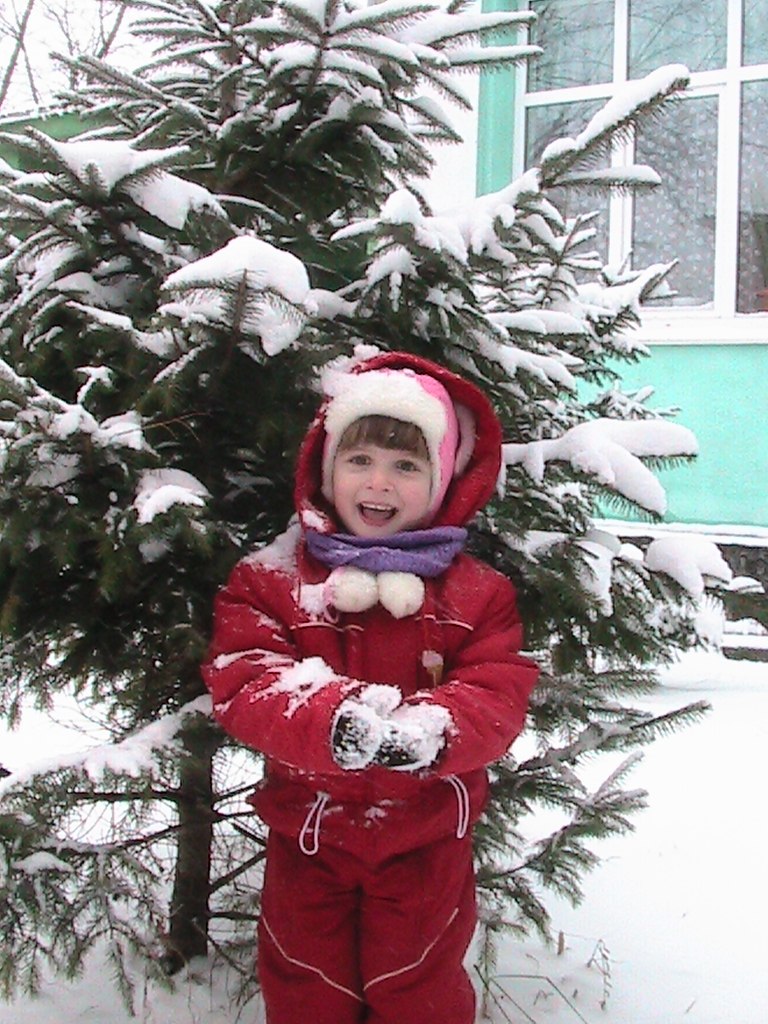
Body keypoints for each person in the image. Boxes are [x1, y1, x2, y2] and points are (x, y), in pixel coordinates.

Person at [202, 351, 540, 1024]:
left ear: (441, 482)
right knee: (306, 985)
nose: (379, 482)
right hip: (310, 837)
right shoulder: (271, 581)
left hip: (426, 844)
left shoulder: (479, 594)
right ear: (326, 469)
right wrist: (333, 720)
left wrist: (432, 730)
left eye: (406, 466)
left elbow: (496, 692)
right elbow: (247, 677)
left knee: (419, 989)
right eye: (359, 460)